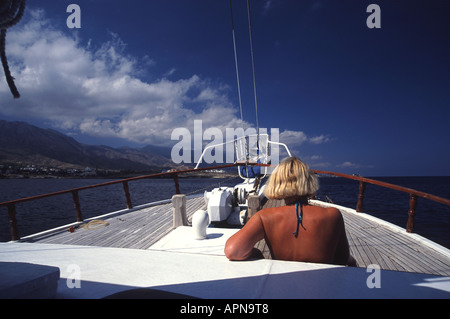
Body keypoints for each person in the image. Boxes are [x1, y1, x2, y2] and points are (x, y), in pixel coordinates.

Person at [224, 156, 356, 266]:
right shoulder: (333, 215)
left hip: (283, 287)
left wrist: (257, 254)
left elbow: (233, 251)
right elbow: (342, 259)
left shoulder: (264, 217)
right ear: (309, 181)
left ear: (276, 183)